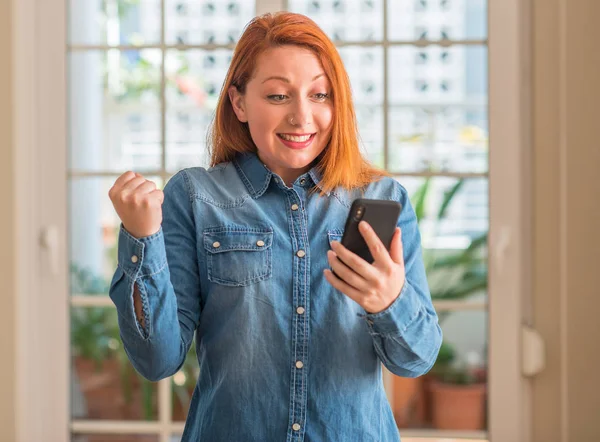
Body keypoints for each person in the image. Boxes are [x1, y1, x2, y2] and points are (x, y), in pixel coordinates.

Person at [108, 11, 442, 442]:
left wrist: (389, 301)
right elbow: (157, 361)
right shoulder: (196, 197)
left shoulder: (381, 200)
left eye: (320, 95)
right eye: (279, 96)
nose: (302, 118)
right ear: (239, 103)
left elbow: (414, 360)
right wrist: (141, 239)